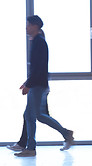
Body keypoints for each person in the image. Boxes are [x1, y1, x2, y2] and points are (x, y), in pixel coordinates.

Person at [13, 15, 74, 157]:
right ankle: (32, 146)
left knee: (36, 115)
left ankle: (62, 134)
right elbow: (36, 67)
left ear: (35, 26)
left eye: (28, 25)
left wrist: (29, 84)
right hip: (37, 83)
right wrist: (27, 82)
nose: (26, 27)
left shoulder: (39, 42)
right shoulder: (37, 41)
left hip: (38, 85)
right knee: (31, 115)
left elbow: (39, 68)